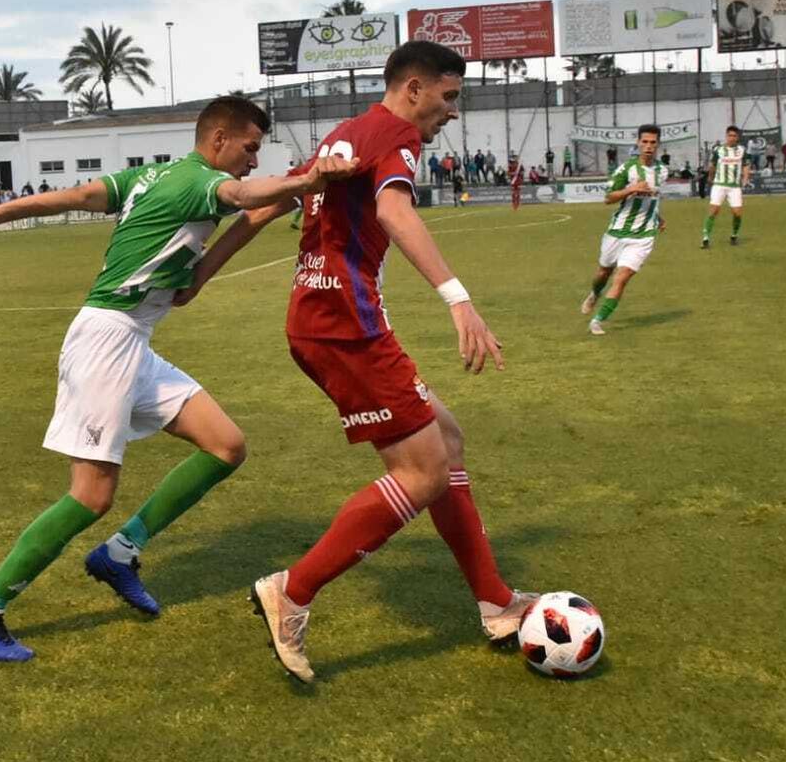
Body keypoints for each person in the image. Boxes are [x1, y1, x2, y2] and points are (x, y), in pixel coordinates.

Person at [0, 96, 357, 664]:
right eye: (249, 147)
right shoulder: (200, 181)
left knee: (225, 445)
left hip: (130, 341)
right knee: (90, 497)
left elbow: (79, 196)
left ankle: (120, 554)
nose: (250, 159)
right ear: (218, 139)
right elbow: (240, 198)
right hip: (105, 342)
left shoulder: (154, 176)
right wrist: (311, 177)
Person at [178, 41, 535, 683]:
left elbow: (268, 206)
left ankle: (496, 602)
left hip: (326, 319)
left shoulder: (348, 132)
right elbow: (393, 211)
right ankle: (293, 591)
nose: (452, 112)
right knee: (422, 472)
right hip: (345, 326)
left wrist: (203, 273)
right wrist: (459, 300)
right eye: (449, 96)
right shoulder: (395, 134)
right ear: (415, 88)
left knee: (445, 443)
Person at [581, 125, 667, 336]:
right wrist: (631, 189)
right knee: (604, 272)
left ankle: (597, 320)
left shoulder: (662, 171)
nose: (648, 146)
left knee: (622, 277)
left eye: (653, 142)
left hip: (643, 236)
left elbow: (653, 200)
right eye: (645, 142)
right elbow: (608, 198)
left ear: (658, 145)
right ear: (638, 143)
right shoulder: (626, 169)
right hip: (617, 232)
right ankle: (594, 293)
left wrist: (658, 218)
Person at [702, 126, 750, 249]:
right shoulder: (718, 150)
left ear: (737, 137)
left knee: (737, 213)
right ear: (726, 136)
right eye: (730, 135)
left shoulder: (742, 150)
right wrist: (710, 177)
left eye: (734, 136)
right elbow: (712, 165)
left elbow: (745, 166)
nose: (732, 138)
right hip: (719, 185)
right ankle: (705, 238)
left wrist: (745, 178)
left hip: (734, 187)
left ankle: (734, 235)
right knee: (714, 211)